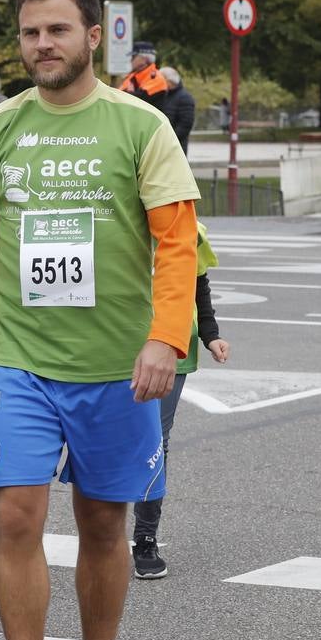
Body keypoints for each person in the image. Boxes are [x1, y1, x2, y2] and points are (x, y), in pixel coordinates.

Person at [0, 0, 199, 640]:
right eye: (30, 33)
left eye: (56, 31)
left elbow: (176, 242)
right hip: (23, 361)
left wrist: (166, 337)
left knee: (101, 522)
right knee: (16, 514)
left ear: (94, 37)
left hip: (117, 367)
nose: (41, 46)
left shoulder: (140, 125)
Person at [132, 222, 228, 579]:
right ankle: (102, 532)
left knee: (156, 441)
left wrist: (210, 334)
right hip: (116, 344)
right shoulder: (112, 211)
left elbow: (197, 281)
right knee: (111, 438)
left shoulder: (192, 228)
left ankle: (145, 537)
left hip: (174, 350)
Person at [117, 40, 169, 111]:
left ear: (144, 59)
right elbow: (117, 96)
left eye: (133, 56)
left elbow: (139, 100)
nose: (130, 60)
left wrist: (129, 93)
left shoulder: (157, 78)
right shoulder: (131, 76)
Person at [160, 66, 196, 153]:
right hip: (163, 144)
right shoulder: (163, 96)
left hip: (176, 146)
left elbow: (185, 125)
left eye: (160, 79)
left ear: (169, 81)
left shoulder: (185, 97)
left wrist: (169, 139)